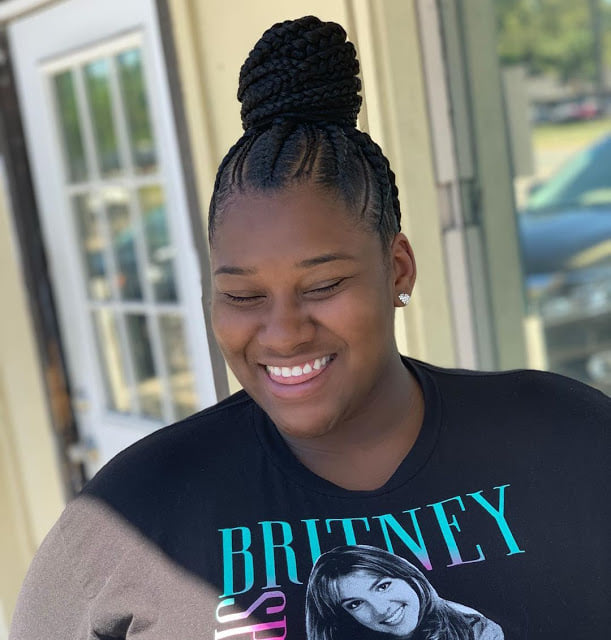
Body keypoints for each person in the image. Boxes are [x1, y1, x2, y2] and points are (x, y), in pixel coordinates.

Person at [10, 15, 609, 640]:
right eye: (242, 295)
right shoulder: (131, 518)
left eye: (323, 286)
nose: (283, 333)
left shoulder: (567, 440)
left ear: (398, 269)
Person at [306, 545, 503, 640]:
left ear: (410, 578)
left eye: (383, 586)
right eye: (355, 604)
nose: (380, 609)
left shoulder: (477, 631)